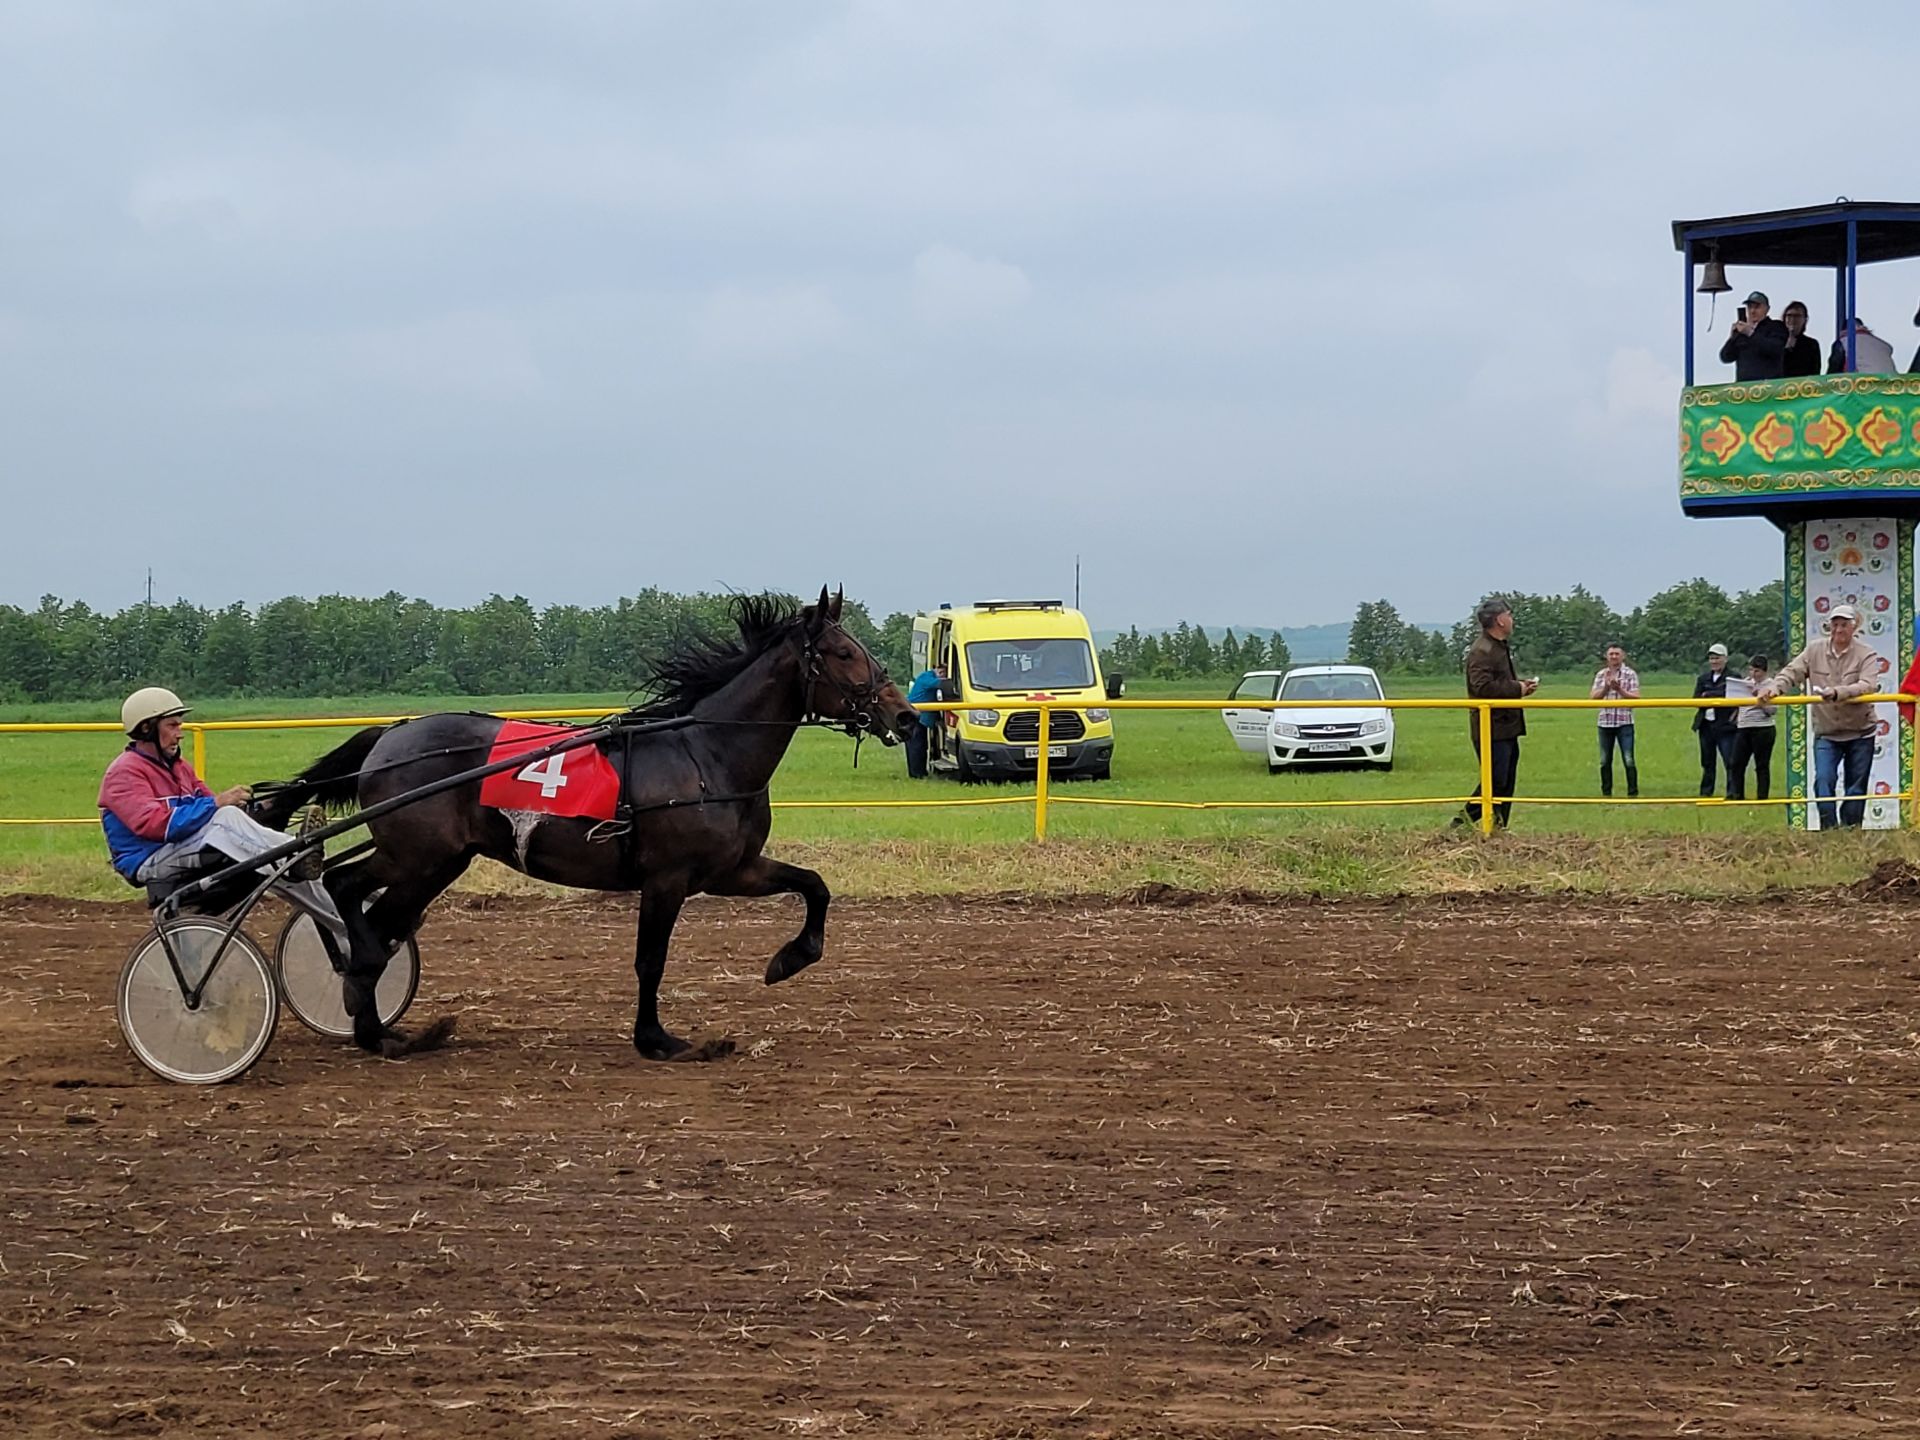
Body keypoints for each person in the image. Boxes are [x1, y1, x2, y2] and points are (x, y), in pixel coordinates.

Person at [99, 686, 347, 943]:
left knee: (277, 868)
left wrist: (254, 808)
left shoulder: (179, 767)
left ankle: (349, 933)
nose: (179, 734)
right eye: (172, 726)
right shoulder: (124, 773)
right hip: (148, 861)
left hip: (181, 847)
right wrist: (219, 803)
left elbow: (207, 806)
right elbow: (156, 825)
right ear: (147, 728)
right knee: (227, 820)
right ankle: (295, 853)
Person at [1758, 605, 1883, 829]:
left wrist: (1838, 692)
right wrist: (1774, 688)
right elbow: (1792, 671)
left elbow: (1869, 684)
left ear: (1854, 627)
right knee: (1823, 781)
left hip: (1861, 731)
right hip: (1827, 732)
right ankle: (1829, 831)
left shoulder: (1867, 653)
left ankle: (1851, 831)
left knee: (1856, 787)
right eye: (1835, 624)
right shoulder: (1814, 650)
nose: (1838, 629)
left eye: (1844, 625)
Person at [1452, 598, 1536, 830]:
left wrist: (1519, 686)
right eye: (1509, 615)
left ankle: (1498, 830)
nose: (1512, 619)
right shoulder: (1483, 650)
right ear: (1499, 620)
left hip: (1506, 725)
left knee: (1506, 783)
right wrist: (1516, 688)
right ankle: (1459, 826)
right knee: (1495, 782)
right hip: (1491, 728)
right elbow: (1482, 687)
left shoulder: (1498, 647)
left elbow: (1497, 682)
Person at [1726, 653, 1777, 803]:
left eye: (1757, 671)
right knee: (1736, 763)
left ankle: (1762, 797)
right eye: (1751, 670)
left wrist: (1760, 700)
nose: (1753, 674)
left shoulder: (1770, 685)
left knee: (1761, 764)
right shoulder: (1745, 683)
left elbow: (1772, 711)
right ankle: (1737, 796)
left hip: (1763, 728)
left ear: (1764, 672)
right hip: (1744, 727)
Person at [1590, 643, 1639, 798]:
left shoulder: (1630, 674)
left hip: (1625, 722)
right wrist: (1606, 687)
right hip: (1605, 722)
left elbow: (1637, 697)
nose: (1614, 657)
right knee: (1605, 760)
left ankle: (1632, 793)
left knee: (1628, 759)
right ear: (1607, 656)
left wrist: (1619, 690)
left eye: (1617, 654)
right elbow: (1593, 697)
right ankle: (1606, 793)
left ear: (1623, 656)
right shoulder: (1600, 674)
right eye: (1611, 654)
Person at [1691, 643, 1739, 797]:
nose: (1714, 661)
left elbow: (1732, 695)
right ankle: (1706, 792)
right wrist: (1714, 694)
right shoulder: (1703, 678)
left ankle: (1732, 792)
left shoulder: (1733, 677)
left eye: (1717, 658)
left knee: (1730, 761)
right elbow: (1696, 698)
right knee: (1707, 761)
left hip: (1726, 726)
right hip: (1706, 725)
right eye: (1712, 658)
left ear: (1725, 659)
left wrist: (1709, 694)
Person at [1718, 290, 1788, 381]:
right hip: (1744, 389)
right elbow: (1725, 357)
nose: (1752, 311)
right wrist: (1732, 338)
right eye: (1750, 307)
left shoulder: (1776, 326)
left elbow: (1775, 348)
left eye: (1757, 307)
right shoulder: (1742, 333)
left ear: (1767, 309)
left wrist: (1750, 333)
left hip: (1769, 387)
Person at [903, 662, 946, 779]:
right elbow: (939, 684)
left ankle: (920, 772)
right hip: (915, 716)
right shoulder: (927, 677)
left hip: (918, 715)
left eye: (944, 673)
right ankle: (917, 773)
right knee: (916, 745)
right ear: (935, 669)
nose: (942, 675)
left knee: (920, 745)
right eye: (941, 672)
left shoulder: (927, 676)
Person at [1827, 317, 1898, 375]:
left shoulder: (1844, 342)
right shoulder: (1882, 344)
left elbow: (1834, 369)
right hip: (1891, 384)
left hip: (1865, 385)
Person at [1780, 301, 1822, 377]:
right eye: (1789, 316)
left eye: (1797, 316)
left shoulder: (1811, 344)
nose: (1792, 319)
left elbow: (1815, 372)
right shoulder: (1775, 341)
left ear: (1805, 320)